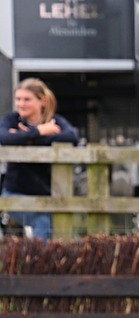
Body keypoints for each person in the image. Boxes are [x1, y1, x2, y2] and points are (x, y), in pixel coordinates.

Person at [0, 78, 79, 239]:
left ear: (42, 101)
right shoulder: (11, 120)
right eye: (18, 99)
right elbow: (5, 138)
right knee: (44, 219)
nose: (21, 104)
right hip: (14, 194)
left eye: (27, 99)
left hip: (47, 195)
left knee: (63, 225)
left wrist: (26, 138)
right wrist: (40, 131)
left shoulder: (54, 120)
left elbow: (72, 136)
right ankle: (38, 262)